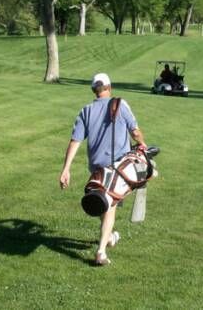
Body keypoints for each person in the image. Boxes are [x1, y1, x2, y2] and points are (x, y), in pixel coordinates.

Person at [59, 72, 146, 265]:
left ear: (93, 90)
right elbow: (135, 131)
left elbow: (75, 141)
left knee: (105, 204)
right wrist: (143, 144)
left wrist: (66, 169)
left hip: (97, 169)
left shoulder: (86, 111)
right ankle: (101, 251)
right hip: (119, 168)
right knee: (110, 206)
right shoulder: (121, 105)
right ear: (109, 87)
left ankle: (109, 236)